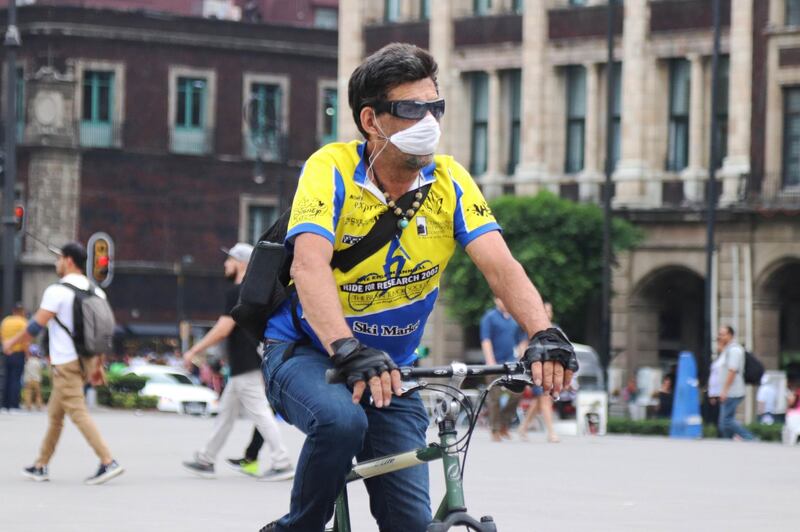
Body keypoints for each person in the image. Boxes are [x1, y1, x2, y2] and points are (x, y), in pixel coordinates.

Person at [258, 43, 577, 532]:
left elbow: (500, 265)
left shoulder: (450, 181)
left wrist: (543, 333)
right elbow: (309, 265)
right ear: (371, 120)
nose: (429, 120)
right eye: (411, 109)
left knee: (410, 524)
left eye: (435, 107)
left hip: (393, 371)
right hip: (307, 353)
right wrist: (345, 347)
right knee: (343, 423)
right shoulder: (331, 169)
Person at [2, 242, 124, 484]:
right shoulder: (96, 291)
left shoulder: (57, 291)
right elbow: (100, 332)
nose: (57, 264)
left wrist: (11, 343)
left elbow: (36, 325)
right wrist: (98, 365)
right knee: (55, 415)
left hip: (66, 362)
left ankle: (107, 460)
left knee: (78, 413)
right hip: (86, 360)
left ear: (68, 261)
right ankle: (41, 465)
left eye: (59, 259)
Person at [182, 243, 294, 481]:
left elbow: (223, 328)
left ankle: (282, 461)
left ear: (242, 263)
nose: (225, 264)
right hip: (250, 361)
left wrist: (193, 350)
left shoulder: (237, 292)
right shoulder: (255, 291)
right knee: (226, 413)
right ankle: (207, 458)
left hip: (245, 362)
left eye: (230, 260)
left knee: (261, 413)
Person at [479, 297, 526, 441]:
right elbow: (486, 340)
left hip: (511, 364)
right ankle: (494, 430)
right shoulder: (490, 317)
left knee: (516, 394)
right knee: (494, 398)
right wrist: (490, 361)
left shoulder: (514, 319)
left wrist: (521, 355)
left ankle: (504, 424)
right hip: (495, 363)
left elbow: (521, 339)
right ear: (496, 300)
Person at [517, 301, 560, 443]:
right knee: (545, 400)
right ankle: (551, 432)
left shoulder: (556, 330)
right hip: (537, 370)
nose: (547, 314)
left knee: (539, 402)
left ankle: (523, 427)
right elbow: (523, 347)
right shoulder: (533, 329)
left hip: (551, 370)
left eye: (549, 311)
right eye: (545, 311)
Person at [716, 325, 755, 440]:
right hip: (729, 391)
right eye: (719, 334)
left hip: (733, 391)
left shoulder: (734, 350)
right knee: (725, 423)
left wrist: (725, 390)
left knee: (726, 421)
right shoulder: (727, 350)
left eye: (722, 335)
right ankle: (728, 442)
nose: (720, 337)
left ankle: (750, 438)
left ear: (730, 335)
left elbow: (732, 371)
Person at [1, 303, 29, 412]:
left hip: (6, 353)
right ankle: (14, 405)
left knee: (6, 378)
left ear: (13, 311)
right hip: (18, 353)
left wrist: (6, 348)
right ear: (22, 311)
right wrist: (27, 354)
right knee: (16, 379)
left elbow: (2, 336)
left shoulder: (5, 321)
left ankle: (4, 405)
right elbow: (25, 340)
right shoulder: (23, 322)